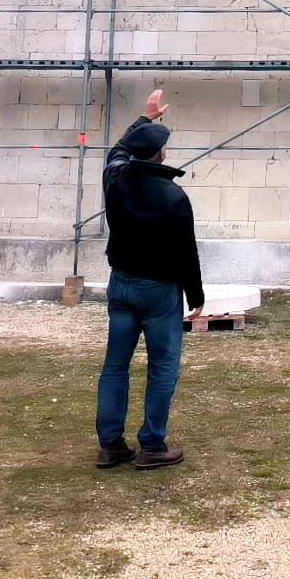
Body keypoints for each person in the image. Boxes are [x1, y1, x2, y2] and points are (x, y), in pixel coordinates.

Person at [94, 89, 203, 470]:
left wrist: (145, 119)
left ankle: (111, 444)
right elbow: (186, 251)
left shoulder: (116, 180)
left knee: (115, 365)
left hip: (121, 284)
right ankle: (152, 444)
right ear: (161, 155)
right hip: (159, 291)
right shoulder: (174, 197)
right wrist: (196, 295)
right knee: (163, 368)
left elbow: (116, 152)